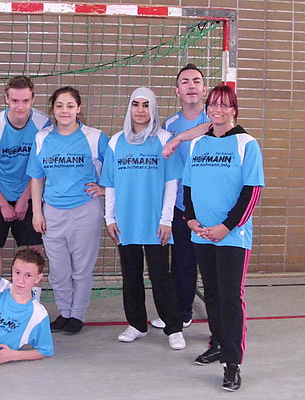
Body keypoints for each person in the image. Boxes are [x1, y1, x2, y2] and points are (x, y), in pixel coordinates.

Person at [183, 85, 264, 391]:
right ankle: (217, 343)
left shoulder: (246, 144)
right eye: (213, 104)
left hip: (232, 236)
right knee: (213, 294)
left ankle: (232, 363)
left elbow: (251, 192)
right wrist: (190, 219)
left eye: (224, 105)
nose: (217, 109)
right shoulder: (198, 144)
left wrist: (227, 227)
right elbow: (188, 187)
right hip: (202, 234)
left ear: (234, 110)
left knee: (230, 296)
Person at [96, 87, 185, 350]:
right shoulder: (116, 142)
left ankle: (173, 327)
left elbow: (171, 183)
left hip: (155, 222)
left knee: (161, 276)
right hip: (126, 222)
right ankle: (136, 324)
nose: (140, 110)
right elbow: (110, 184)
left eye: (146, 105)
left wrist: (166, 219)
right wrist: (109, 218)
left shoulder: (164, 139)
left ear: (153, 109)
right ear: (129, 108)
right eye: (136, 104)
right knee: (131, 275)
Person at [27, 87, 108, 335]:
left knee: (81, 269)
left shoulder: (95, 137)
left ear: (78, 108)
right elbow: (36, 177)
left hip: (85, 211)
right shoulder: (42, 137)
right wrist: (37, 212)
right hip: (52, 212)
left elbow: (116, 169)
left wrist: (105, 188)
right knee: (59, 270)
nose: (65, 111)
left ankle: (77, 315)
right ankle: (64, 312)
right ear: (52, 109)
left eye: (70, 106)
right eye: (59, 106)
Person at [0, 76, 49, 297]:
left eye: (25, 101)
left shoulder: (43, 124)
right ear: (6, 99)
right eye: (15, 100)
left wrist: (25, 199)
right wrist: (3, 204)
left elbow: (42, 167)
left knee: (34, 249)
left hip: (29, 192)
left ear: (33, 99)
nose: (20, 106)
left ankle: (33, 300)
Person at [150, 63, 209, 330]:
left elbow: (208, 128)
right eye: (185, 82)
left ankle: (220, 320)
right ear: (177, 91)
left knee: (208, 263)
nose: (191, 86)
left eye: (196, 81)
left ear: (204, 89)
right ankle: (180, 313)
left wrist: (179, 139)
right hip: (181, 204)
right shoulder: (170, 124)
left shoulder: (214, 117)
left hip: (209, 205)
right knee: (182, 261)